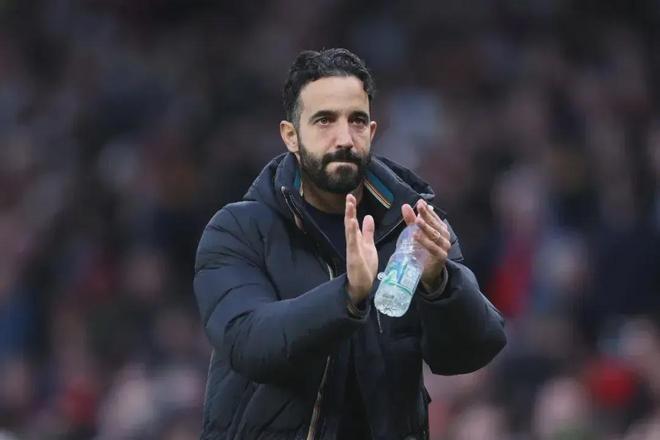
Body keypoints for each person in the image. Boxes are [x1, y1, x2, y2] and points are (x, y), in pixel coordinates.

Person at [193, 48, 507, 440]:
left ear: (372, 132)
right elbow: (250, 345)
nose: (344, 138)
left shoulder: (413, 224)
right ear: (290, 135)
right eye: (324, 120)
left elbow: (471, 352)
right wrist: (347, 295)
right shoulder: (238, 230)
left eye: (356, 120)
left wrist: (441, 285)